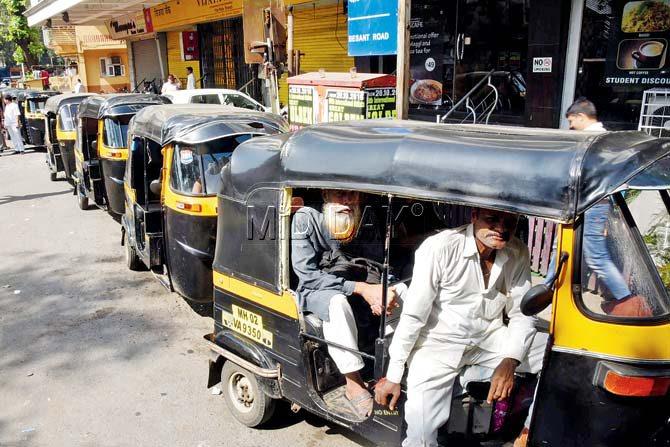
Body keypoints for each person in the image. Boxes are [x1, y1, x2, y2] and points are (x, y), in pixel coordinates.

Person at [375, 208, 547, 447]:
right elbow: (414, 315)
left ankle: (527, 432)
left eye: (509, 221)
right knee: (421, 436)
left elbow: (522, 313)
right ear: (474, 216)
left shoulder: (516, 250)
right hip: (437, 346)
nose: (501, 228)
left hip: (489, 339)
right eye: (493, 219)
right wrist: (394, 375)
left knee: (552, 354)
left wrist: (510, 360)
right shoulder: (440, 247)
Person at [291, 190, 403, 418]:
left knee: (402, 292)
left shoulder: (365, 218)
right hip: (320, 289)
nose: (347, 201)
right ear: (325, 194)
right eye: (340, 194)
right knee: (337, 303)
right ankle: (353, 383)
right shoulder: (306, 218)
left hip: (362, 282)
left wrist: (383, 290)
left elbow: (377, 264)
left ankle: (396, 367)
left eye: (352, 195)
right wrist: (362, 289)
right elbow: (307, 274)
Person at [547, 98, 651, 317]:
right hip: (589, 204)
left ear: (581, 117)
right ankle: (548, 290)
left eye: (571, 121)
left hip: (591, 204)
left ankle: (629, 302)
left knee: (596, 257)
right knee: (561, 248)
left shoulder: (593, 141)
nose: (570, 127)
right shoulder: (606, 140)